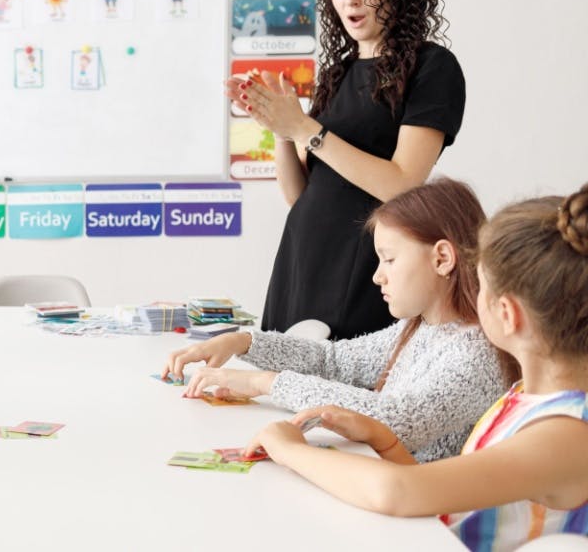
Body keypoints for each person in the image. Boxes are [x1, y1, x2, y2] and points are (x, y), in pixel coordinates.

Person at [246, 183, 588, 550]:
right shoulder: (525, 398)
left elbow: (398, 492)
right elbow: (443, 502)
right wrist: (383, 438)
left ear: (507, 314)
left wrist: (290, 450)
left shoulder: (566, 435)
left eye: (482, 287)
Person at [227, 0, 466, 339]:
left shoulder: (433, 67)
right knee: (281, 386)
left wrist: (305, 127)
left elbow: (403, 182)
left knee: (337, 392)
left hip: (364, 266)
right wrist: (281, 128)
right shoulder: (337, 74)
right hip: (301, 261)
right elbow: (298, 195)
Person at [163, 179, 514, 462]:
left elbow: (397, 420)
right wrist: (243, 342)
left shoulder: (477, 352)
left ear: (442, 258)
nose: (377, 277)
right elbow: (333, 360)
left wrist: (263, 383)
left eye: (388, 260)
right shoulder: (423, 327)